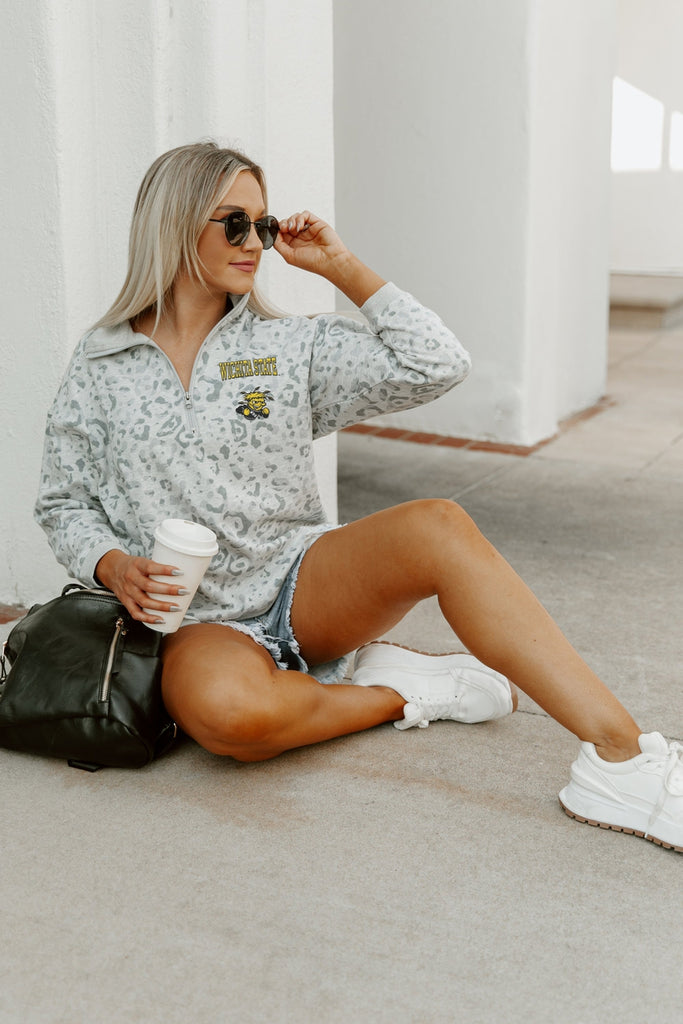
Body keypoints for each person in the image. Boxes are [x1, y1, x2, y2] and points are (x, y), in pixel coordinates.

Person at [35, 141, 682, 853]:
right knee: (229, 719)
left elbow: (437, 363)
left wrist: (341, 267)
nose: (255, 243)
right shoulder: (102, 361)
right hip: (199, 622)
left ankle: (623, 759)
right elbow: (64, 501)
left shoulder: (291, 345)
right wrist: (113, 566)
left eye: (263, 224)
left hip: (302, 585)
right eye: (235, 224)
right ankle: (399, 691)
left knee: (438, 526)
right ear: (174, 224)